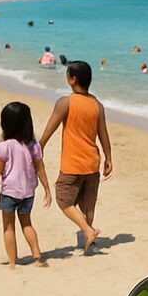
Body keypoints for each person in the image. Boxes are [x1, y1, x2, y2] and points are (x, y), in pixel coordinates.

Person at [40, 60, 112, 254]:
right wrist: (108, 157)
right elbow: (103, 134)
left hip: (72, 163)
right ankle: (90, 245)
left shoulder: (65, 102)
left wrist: (40, 146)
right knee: (88, 205)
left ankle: (88, 231)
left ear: (73, 79)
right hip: (92, 162)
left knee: (64, 199)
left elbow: (51, 127)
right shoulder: (97, 105)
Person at [0, 101, 52, 268]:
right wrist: (47, 189)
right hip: (28, 192)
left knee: (8, 227)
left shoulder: (3, 147)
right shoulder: (33, 145)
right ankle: (37, 256)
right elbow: (40, 168)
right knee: (26, 223)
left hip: (9, 192)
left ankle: (13, 262)